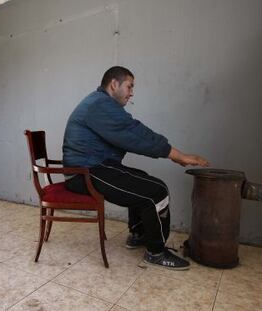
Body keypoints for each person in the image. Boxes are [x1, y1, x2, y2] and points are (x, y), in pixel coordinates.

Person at [62, 66, 209, 270]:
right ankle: (156, 253)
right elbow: (136, 133)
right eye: (129, 86)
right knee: (157, 191)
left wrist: (173, 154)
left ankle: (138, 235)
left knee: (141, 179)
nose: (132, 92)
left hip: (91, 168)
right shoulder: (100, 105)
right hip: (85, 172)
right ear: (114, 84)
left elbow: (134, 132)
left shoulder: (100, 103)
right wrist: (178, 156)